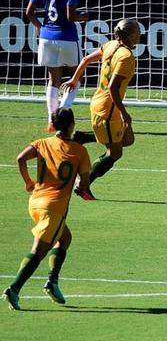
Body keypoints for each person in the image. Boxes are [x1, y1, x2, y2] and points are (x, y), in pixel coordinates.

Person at [2, 108, 91, 311]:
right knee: (38, 251)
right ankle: (14, 289)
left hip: (35, 203)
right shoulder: (80, 151)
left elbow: (20, 158)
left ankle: (52, 282)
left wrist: (28, 182)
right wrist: (79, 179)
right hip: (54, 208)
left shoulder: (42, 143)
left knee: (65, 238)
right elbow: (84, 184)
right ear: (72, 125)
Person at [61, 18, 140, 197]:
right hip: (108, 111)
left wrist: (75, 79)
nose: (140, 35)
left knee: (128, 140)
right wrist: (123, 112)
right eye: (137, 32)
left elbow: (86, 59)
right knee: (115, 152)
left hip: (99, 104)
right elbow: (113, 87)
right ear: (129, 36)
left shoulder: (111, 45)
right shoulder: (126, 56)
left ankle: (82, 137)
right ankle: (83, 184)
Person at [25, 0, 88, 132]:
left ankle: (52, 120)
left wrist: (40, 27)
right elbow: (70, 16)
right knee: (76, 77)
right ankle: (63, 111)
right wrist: (84, 17)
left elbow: (29, 13)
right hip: (66, 36)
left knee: (53, 80)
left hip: (46, 37)